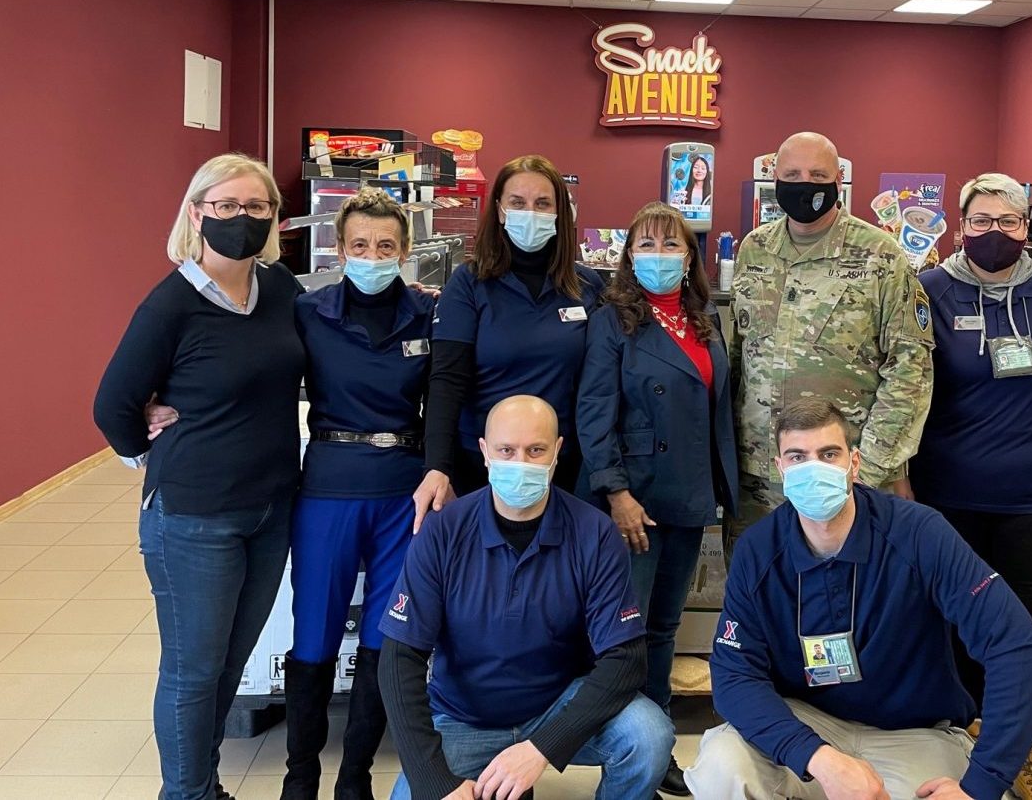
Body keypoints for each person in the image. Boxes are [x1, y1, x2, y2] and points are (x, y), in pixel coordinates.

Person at [688, 399, 1032, 800]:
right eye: (798, 457)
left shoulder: (919, 533)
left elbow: (1018, 647)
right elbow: (735, 674)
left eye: (829, 454)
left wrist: (981, 786)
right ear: (781, 471)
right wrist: (819, 757)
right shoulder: (758, 551)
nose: (815, 469)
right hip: (806, 724)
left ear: (853, 464)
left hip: (912, 734)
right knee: (721, 766)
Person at [93, 153, 304, 800]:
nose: (242, 218)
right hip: (193, 516)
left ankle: (201, 784)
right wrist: (150, 444)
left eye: (256, 207)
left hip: (270, 510)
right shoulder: (171, 304)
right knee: (193, 670)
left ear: (273, 217)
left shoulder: (281, 290)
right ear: (197, 213)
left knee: (231, 666)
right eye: (227, 206)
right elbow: (112, 405)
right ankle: (187, 792)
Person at [380, 395, 674, 800]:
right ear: (484, 452)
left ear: (557, 451)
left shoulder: (595, 533)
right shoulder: (443, 532)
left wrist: (542, 747)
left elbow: (626, 659)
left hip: (556, 706)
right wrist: (435, 782)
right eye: (507, 450)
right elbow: (399, 658)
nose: (520, 463)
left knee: (649, 735)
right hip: (464, 718)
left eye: (535, 450)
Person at [909, 173, 1032, 799]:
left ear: (1027, 227)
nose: (994, 233)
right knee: (955, 625)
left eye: (1007, 222)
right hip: (948, 494)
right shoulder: (928, 290)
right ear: (961, 225)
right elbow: (905, 385)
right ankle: (963, 746)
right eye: (981, 221)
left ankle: (1030, 757)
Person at [277, 187, 436, 800]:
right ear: (340, 250)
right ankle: (300, 777)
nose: (374, 254)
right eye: (361, 244)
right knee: (314, 634)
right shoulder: (308, 313)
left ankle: (354, 778)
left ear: (406, 251)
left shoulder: (428, 314)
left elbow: (447, 396)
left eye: (387, 245)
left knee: (383, 638)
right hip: (328, 489)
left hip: (403, 491)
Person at [576, 201, 739, 795]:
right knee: (626, 630)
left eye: (672, 246)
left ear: (690, 256)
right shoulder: (613, 319)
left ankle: (659, 741)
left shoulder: (704, 318)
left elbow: (716, 404)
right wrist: (615, 490)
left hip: (690, 491)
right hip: (634, 499)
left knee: (665, 627)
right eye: (646, 245)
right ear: (627, 256)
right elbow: (594, 412)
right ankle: (621, 744)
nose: (659, 257)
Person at [730, 132, 934, 550]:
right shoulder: (755, 249)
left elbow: (910, 368)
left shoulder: (880, 255)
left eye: (817, 174)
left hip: (842, 474)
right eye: (792, 175)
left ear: (838, 180)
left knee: (842, 600)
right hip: (759, 471)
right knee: (759, 593)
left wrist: (874, 466)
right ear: (774, 179)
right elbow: (741, 356)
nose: (805, 184)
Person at [413, 155, 603, 529]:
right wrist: (437, 467)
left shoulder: (587, 288)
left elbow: (600, 384)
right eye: (517, 202)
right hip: (479, 467)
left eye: (542, 203)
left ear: (561, 213)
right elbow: (446, 382)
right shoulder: (468, 285)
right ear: (499, 210)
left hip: (561, 468)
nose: (529, 212)